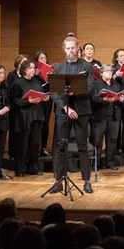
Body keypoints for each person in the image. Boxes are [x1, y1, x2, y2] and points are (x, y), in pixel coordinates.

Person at [49, 35, 95, 194]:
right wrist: (66, 108)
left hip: (82, 110)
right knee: (61, 147)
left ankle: (87, 181)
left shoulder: (87, 66)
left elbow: (90, 88)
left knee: (83, 147)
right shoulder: (58, 68)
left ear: (77, 48)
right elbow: (54, 92)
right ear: (64, 49)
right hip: (64, 111)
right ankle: (58, 181)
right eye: (67, 48)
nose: (70, 51)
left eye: (73, 48)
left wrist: (75, 91)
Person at [10, 59, 47, 176]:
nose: (33, 70)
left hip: (37, 115)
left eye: (33, 68)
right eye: (30, 68)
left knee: (35, 144)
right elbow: (14, 101)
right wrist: (28, 101)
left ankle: (33, 168)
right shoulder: (17, 83)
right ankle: (20, 169)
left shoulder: (37, 81)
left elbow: (41, 93)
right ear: (24, 70)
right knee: (23, 144)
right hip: (23, 117)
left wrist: (44, 98)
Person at [91, 64, 124, 170]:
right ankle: (97, 164)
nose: (110, 73)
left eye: (111, 71)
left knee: (112, 141)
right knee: (98, 141)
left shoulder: (116, 84)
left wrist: (121, 100)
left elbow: (121, 97)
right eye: (107, 71)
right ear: (101, 73)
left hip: (114, 117)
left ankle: (110, 162)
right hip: (100, 117)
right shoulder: (96, 84)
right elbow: (93, 99)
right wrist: (104, 100)